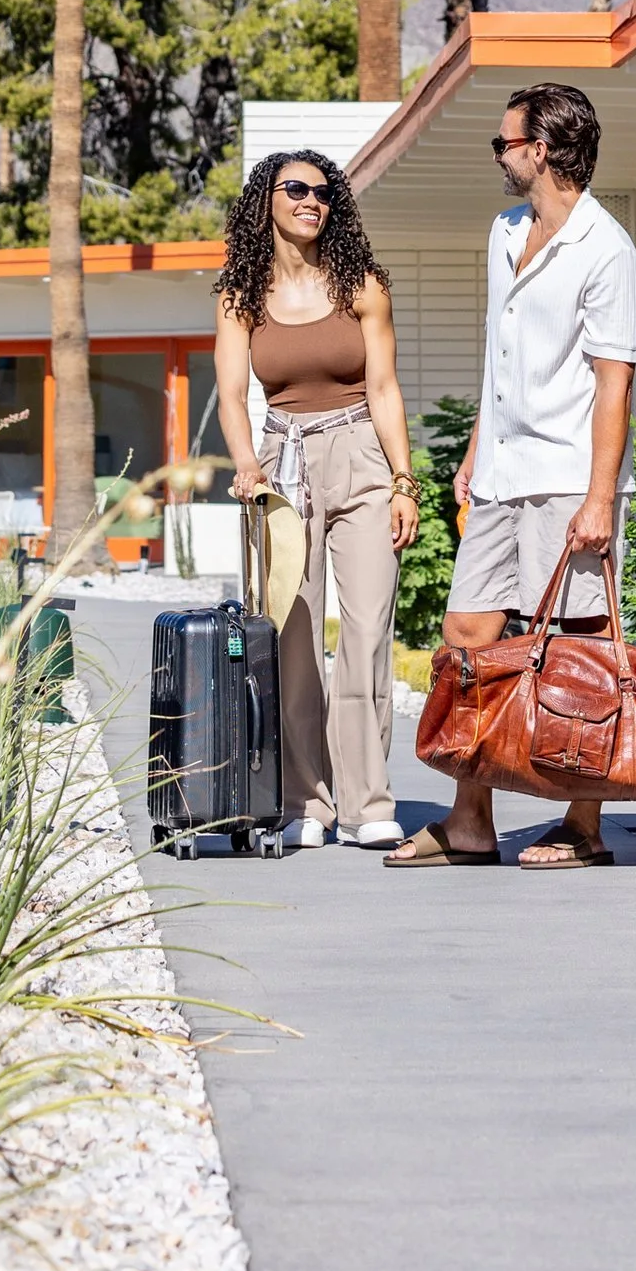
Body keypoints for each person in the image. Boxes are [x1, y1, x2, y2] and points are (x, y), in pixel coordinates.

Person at [388, 81, 636, 871]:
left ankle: (585, 826)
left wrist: (601, 498)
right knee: (468, 637)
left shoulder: (607, 253)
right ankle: (470, 821)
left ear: (542, 150)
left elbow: (615, 386)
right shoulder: (506, 231)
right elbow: (497, 366)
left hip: (572, 482)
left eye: (504, 143)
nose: (498, 157)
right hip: (504, 474)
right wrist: (476, 451)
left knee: (583, 649)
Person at [212, 147, 420, 847]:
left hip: (361, 452)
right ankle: (307, 801)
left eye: (324, 192)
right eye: (295, 188)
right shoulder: (241, 296)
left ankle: (367, 804)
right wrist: (246, 464)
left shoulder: (361, 285)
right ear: (264, 200)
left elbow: (386, 389)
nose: (311, 200)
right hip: (280, 463)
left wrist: (402, 480)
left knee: (366, 631)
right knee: (295, 632)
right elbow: (231, 395)